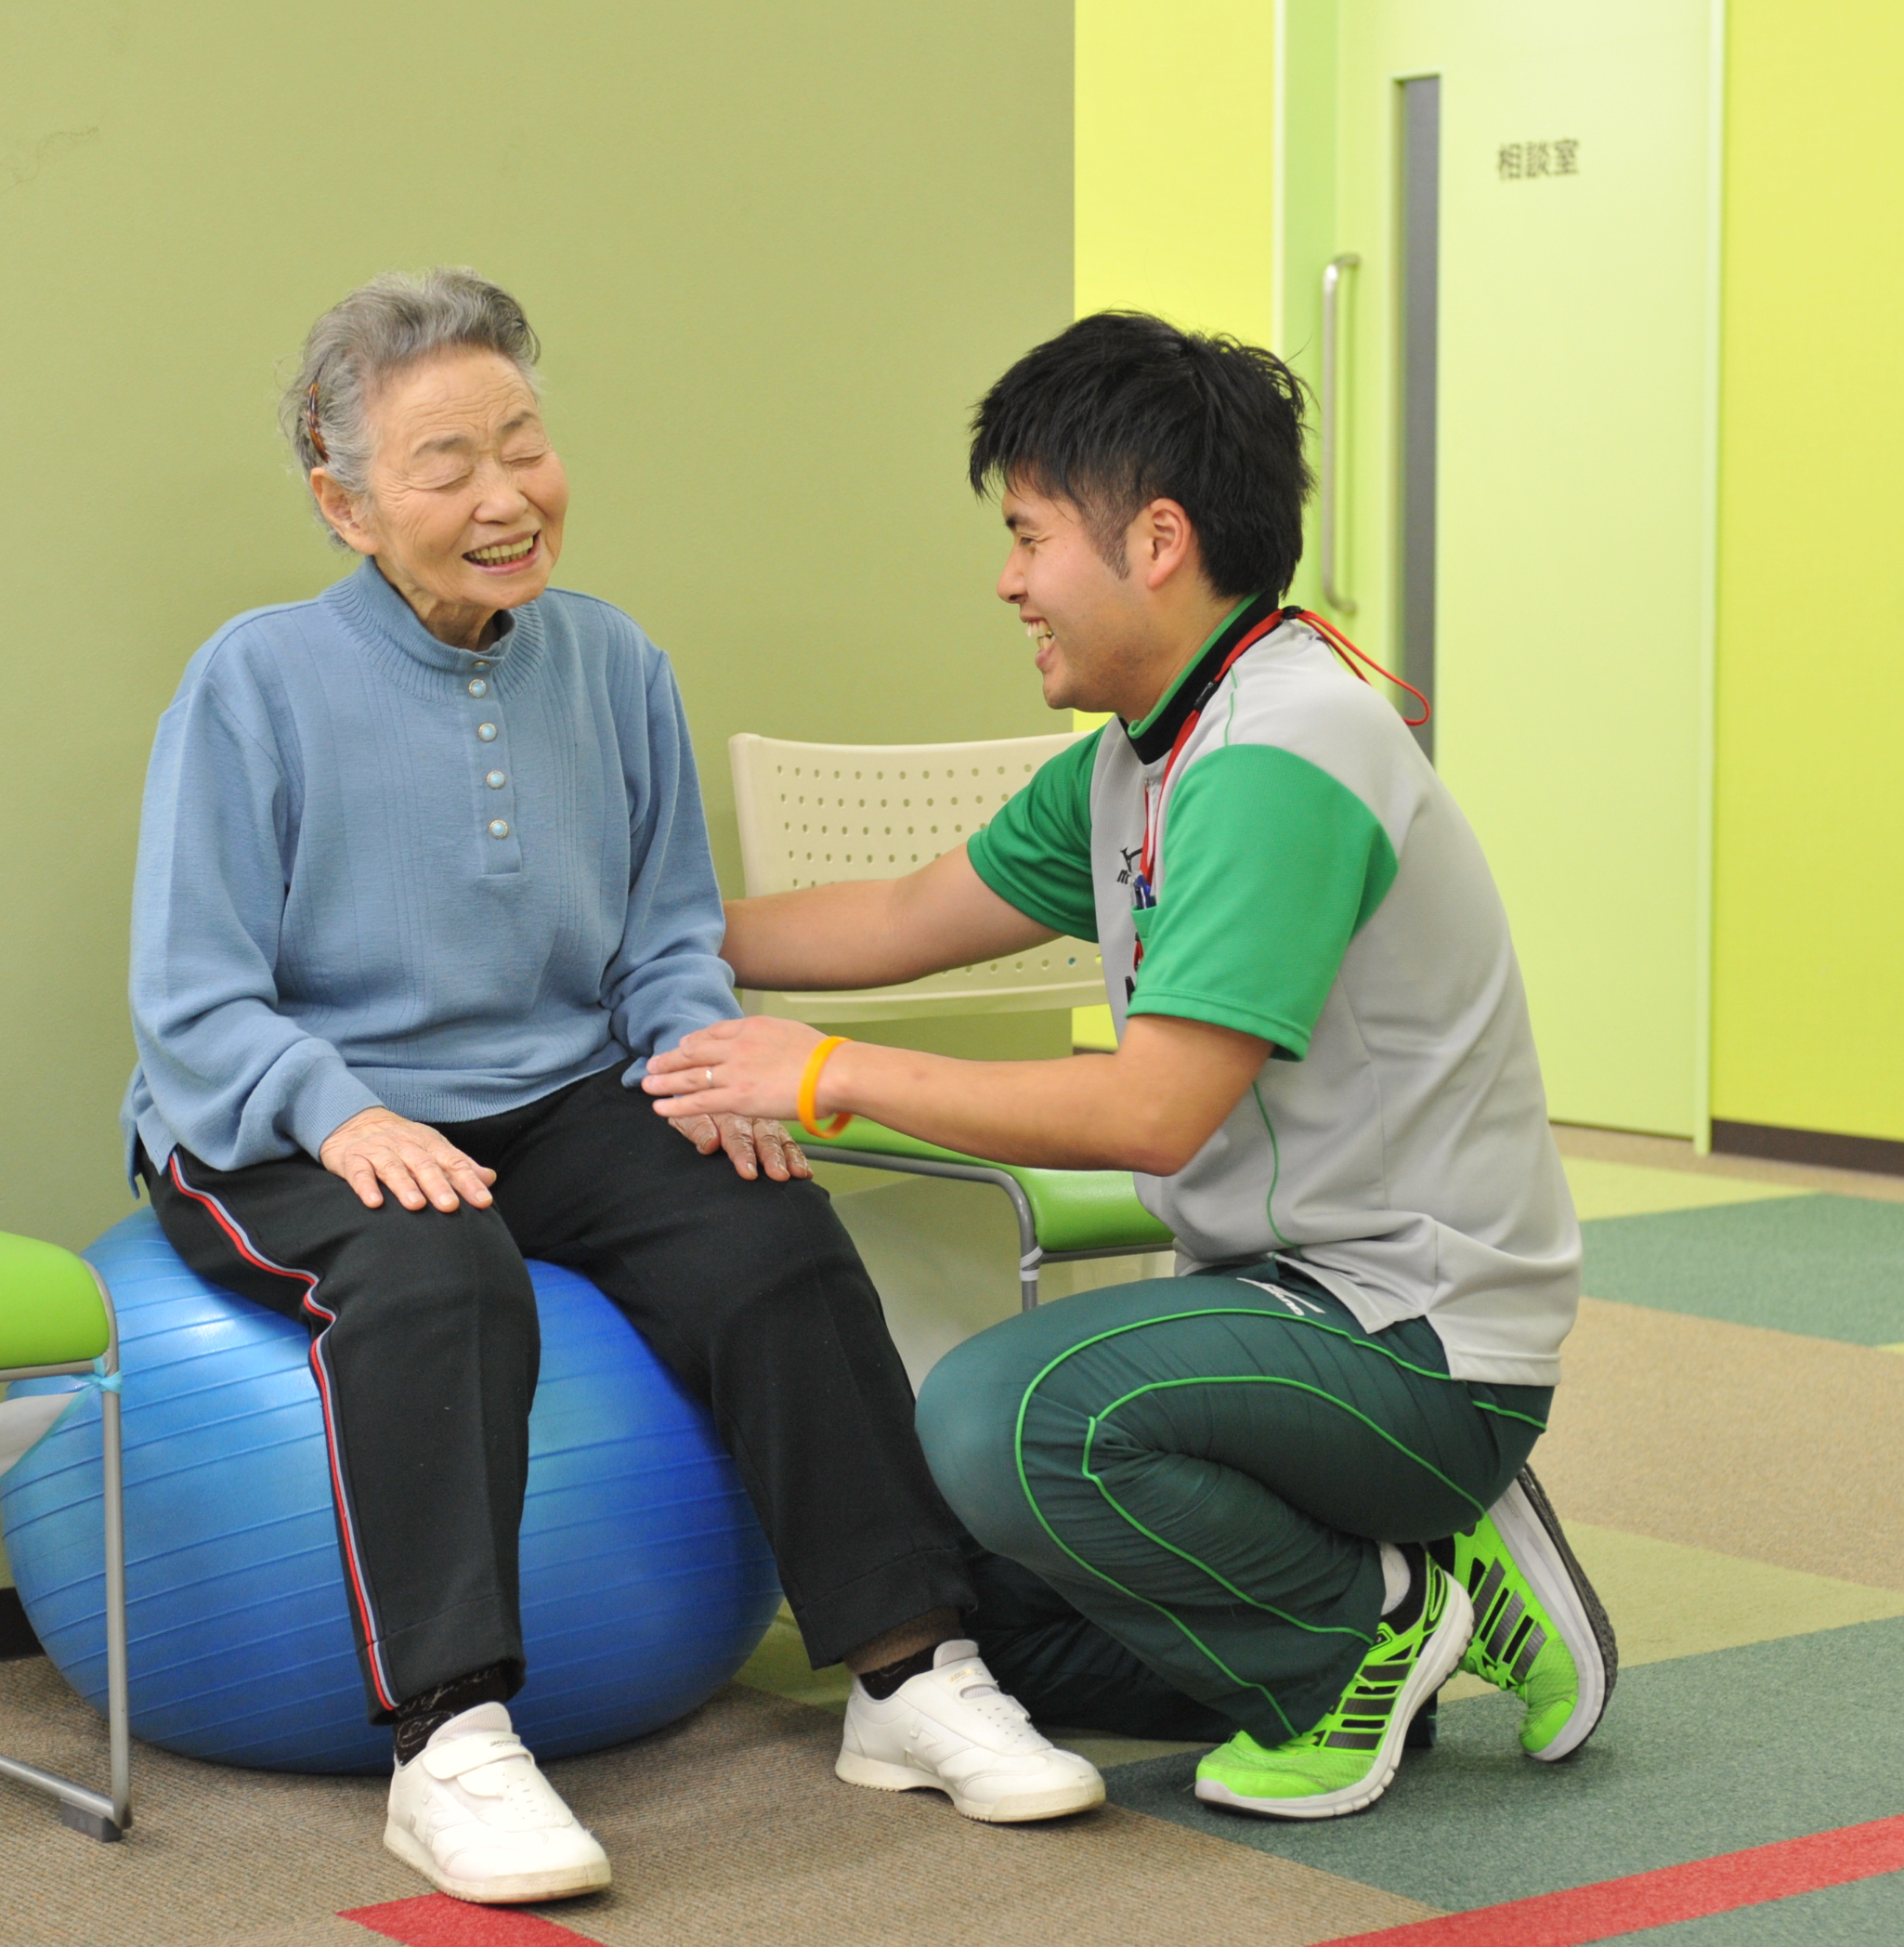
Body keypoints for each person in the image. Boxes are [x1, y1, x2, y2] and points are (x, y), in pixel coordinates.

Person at [122, 268, 1102, 1906]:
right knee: (438, 1270)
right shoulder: (254, 682)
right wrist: (345, 1114)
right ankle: (448, 1739)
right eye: (448, 465)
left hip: (558, 1088)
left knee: (768, 1229)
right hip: (285, 1109)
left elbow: (659, 939)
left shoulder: (615, 666)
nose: (508, 497)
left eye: (525, 442)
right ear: (344, 503)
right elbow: (194, 995)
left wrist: (702, 1062)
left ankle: (907, 1673)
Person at [648, 311, 1616, 1822]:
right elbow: (907, 915)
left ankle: (1360, 1637)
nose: (1009, 580)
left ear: (1156, 539)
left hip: (1412, 1341)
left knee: (1001, 1423)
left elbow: (1155, 1115)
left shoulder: (1282, 755)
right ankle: (1420, 1584)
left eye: (1029, 536)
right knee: (976, 1597)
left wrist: (825, 1076)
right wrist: (626, 942)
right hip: (1274, 1314)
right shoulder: (1141, 752)